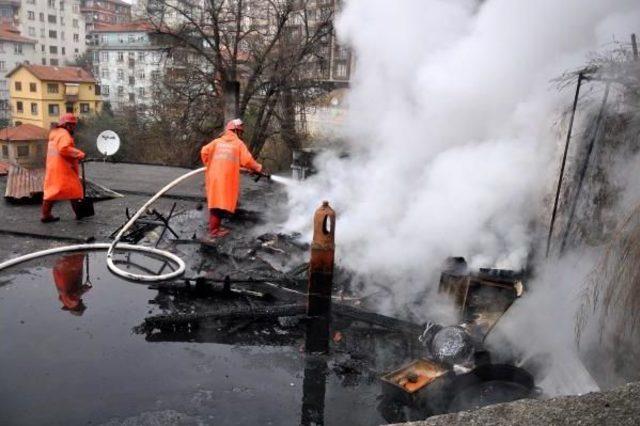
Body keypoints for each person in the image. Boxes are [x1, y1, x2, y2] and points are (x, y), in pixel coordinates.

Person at [200, 118, 264, 239]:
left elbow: (204, 151)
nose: (240, 134)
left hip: (214, 177)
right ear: (235, 131)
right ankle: (214, 231)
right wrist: (258, 167)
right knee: (219, 205)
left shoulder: (216, 142)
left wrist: (210, 164)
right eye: (240, 132)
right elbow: (248, 160)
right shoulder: (238, 144)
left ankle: (215, 228)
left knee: (216, 202)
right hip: (226, 179)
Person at [41, 113, 86, 223]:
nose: (73, 127)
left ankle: (46, 215)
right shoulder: (64, 134)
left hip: (53, 168)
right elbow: (64, 149)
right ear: (66, 125)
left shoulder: (54, 133)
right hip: (63, 168)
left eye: (73, 124)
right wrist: (80, 154)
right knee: (75, 190)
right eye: (71, 124)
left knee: (51, 192)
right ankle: (80, 215)